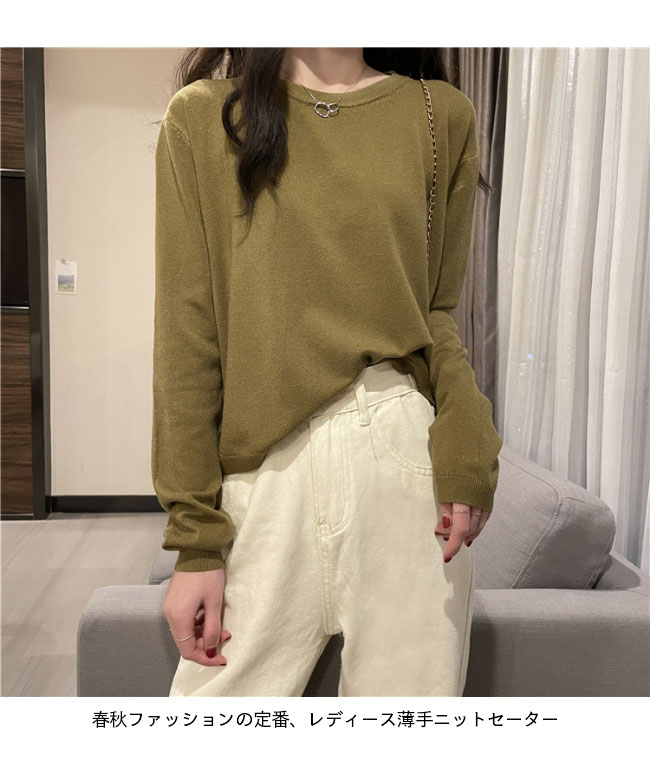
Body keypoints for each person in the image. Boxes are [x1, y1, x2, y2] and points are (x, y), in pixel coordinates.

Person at [152, 47, 503, 697]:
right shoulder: (203, 118)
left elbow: (435, 313)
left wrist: (465, 436)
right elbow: (187, 336)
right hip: (266, 476)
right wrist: (195, 542)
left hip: (402, 465)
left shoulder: (438, 114)